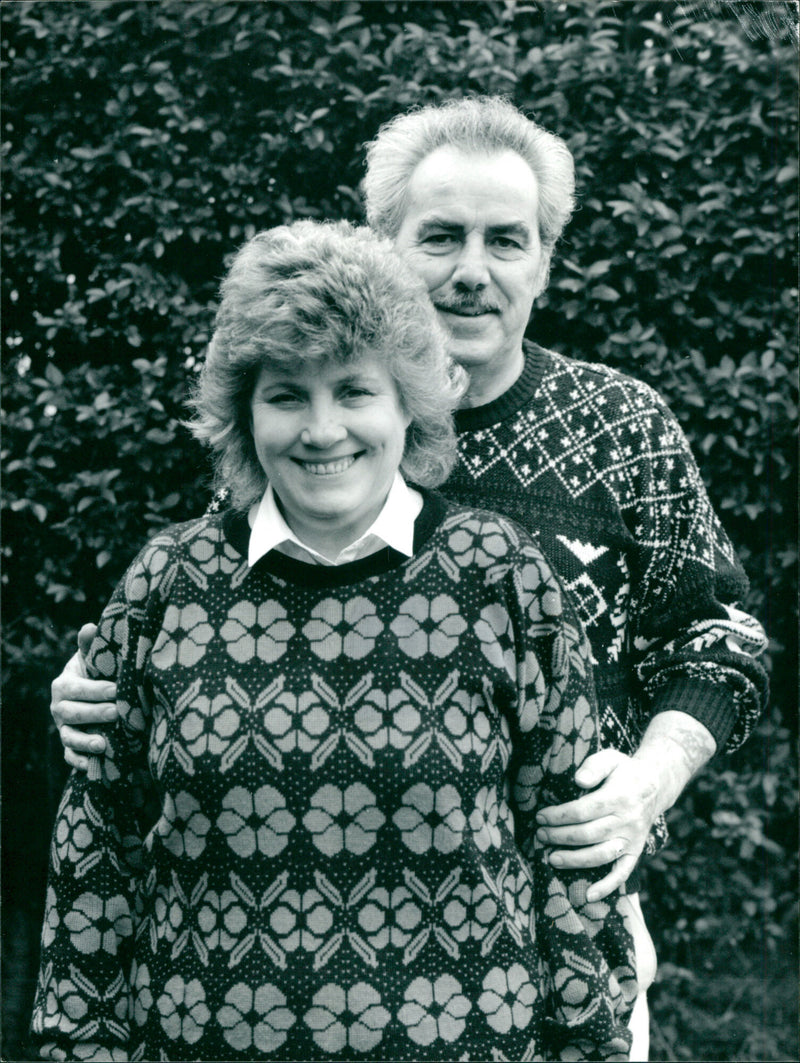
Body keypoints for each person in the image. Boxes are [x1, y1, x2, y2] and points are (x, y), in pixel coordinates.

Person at [49, 96, 768, 1060]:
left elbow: (723, 633)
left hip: (559, 919)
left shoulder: (624, 424)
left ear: (545, 258)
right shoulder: (309, 419)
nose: (474, 272)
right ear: (384, 243)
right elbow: (207, 617)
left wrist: (643, 784)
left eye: (506, 240)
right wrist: (101, 685)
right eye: (441, 237)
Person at [32, 220, 636, 1061]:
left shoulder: (503, 575)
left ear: (406, 403)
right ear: (244, 412)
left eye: (353, 391)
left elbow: (570, 854)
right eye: (286, 394)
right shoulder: (167, 583)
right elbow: (97, 855)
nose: (322, 431)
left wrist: (591, 1047)